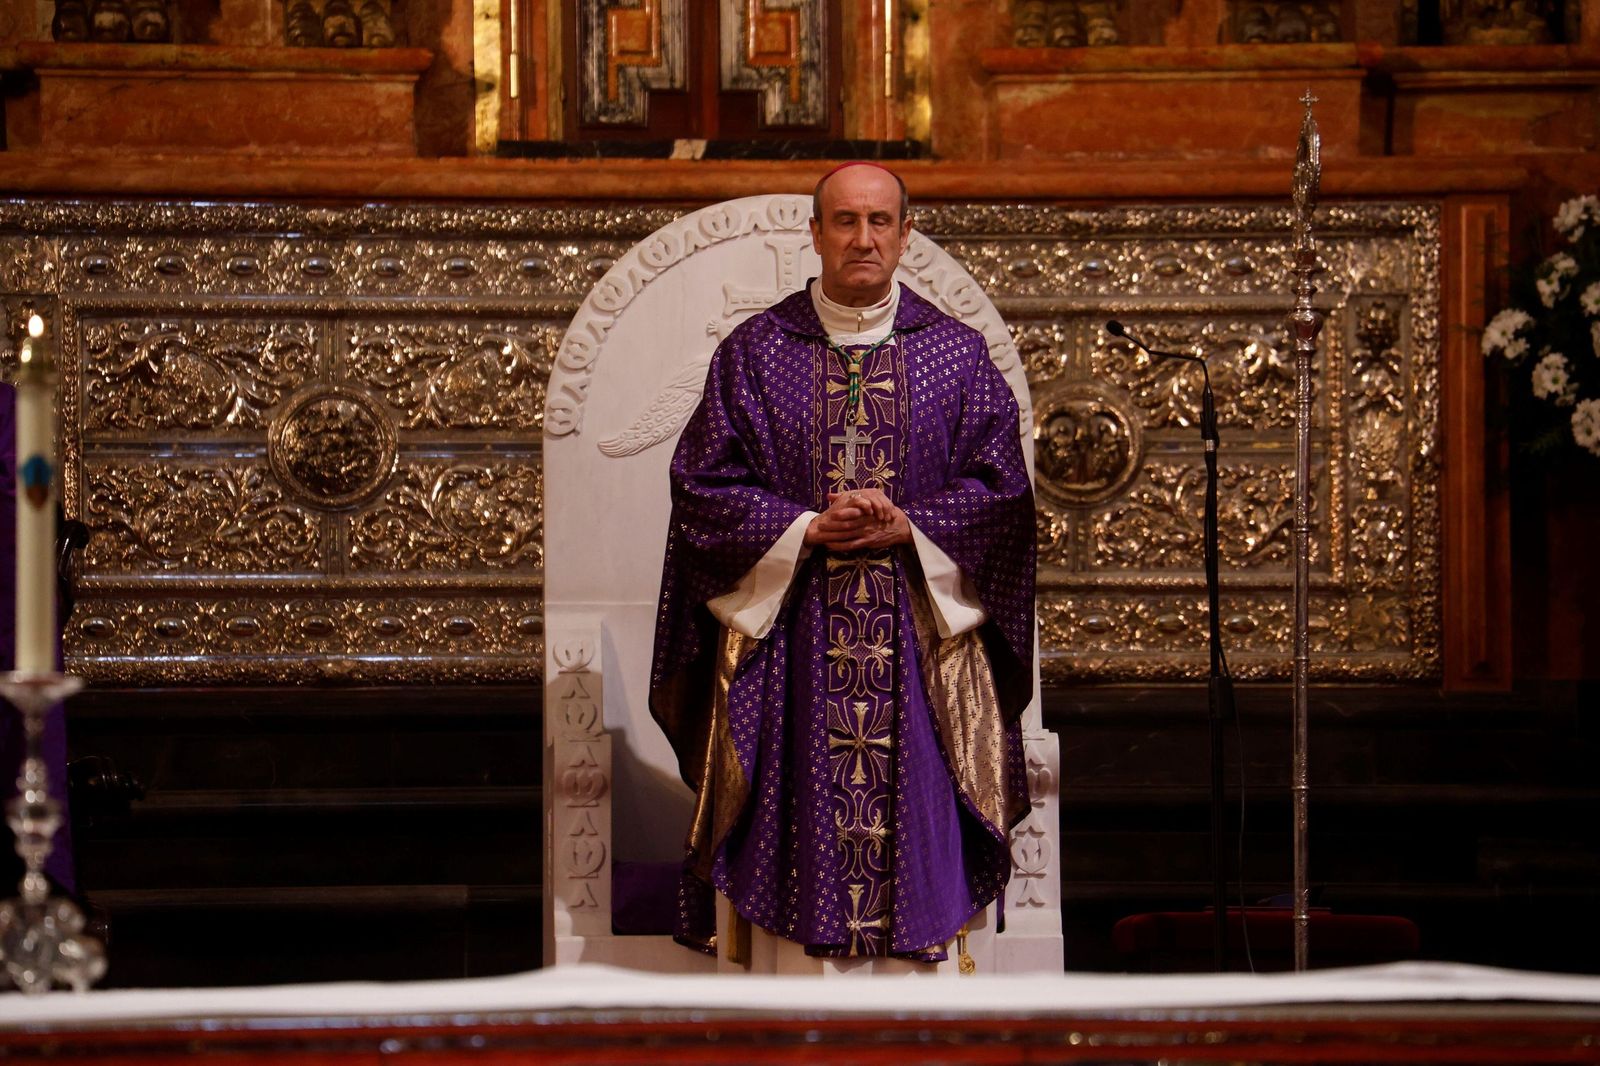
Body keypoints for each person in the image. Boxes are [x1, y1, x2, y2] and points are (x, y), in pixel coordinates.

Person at [649, 162, 1035, 964]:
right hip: (793, 647)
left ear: (905, 232)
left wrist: (912, 524)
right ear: (816, 233)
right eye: (846, 221)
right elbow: (701, 487)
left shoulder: (955, 357)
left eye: (881, 221)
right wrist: (802, 528)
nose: (864, 238)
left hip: (920, 651)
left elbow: (1002, 495)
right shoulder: (757, 354)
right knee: (794, 834)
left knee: (919, 831)